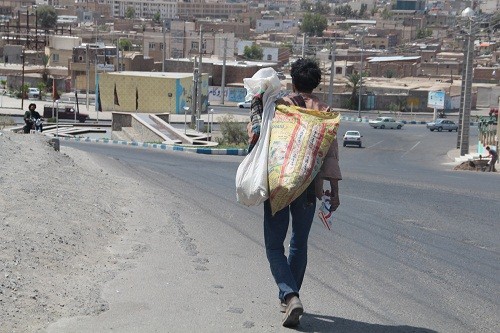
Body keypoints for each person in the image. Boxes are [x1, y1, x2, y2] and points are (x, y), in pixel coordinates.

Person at [249, 59, 342, 327]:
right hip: (309, 189)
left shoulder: (280, 107)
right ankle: (290, 297)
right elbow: (331, 156)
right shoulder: (326, 112)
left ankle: (290, 296)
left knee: (274, 245)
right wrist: (333, 192)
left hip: (278, 184)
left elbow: (259, 138)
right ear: (317, 84)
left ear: (293, 80)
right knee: (299, 243)